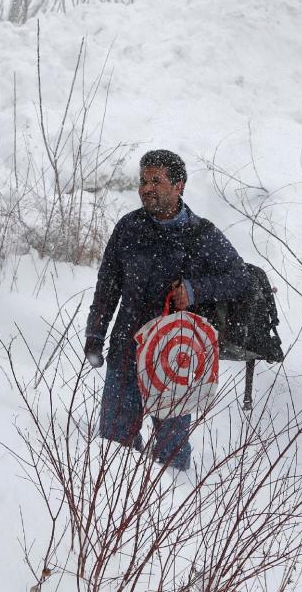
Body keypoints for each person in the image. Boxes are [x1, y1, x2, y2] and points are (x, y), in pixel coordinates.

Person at [83, 149, 248, 470]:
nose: (146, 188)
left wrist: (195, 289)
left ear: (179, 185)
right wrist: (94, 334)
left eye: (156, 180)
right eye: (143, 181)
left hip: (174, 360)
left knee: (171, 452)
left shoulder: (201, 235)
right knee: (115, 445)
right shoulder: (129, 228)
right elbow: (107, 288)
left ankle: (171, 507)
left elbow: (239, 277)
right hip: (126, 351)